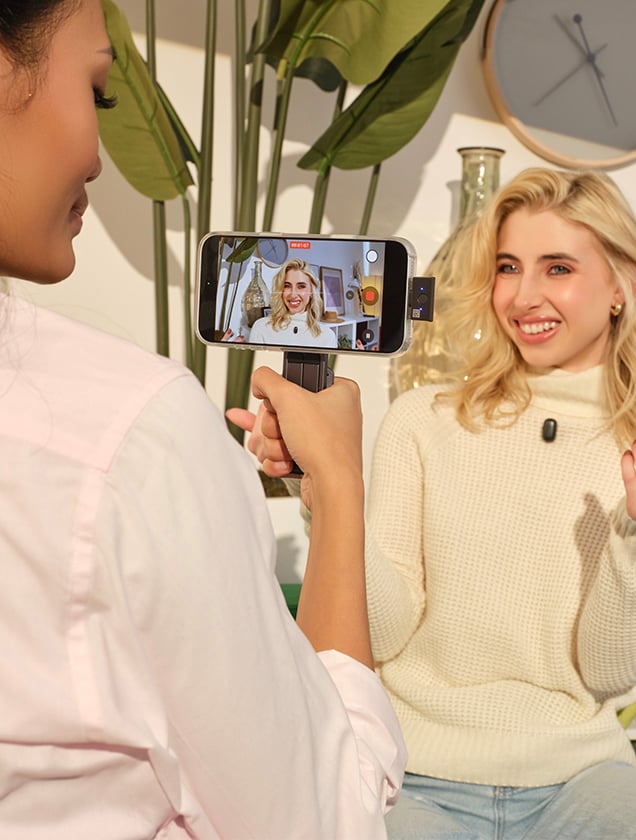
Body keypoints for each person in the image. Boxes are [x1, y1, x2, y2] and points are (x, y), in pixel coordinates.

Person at [0, 1, 404, 836]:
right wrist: (338, 483)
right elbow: (329, 819)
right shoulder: (128, 435)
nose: (100, 157)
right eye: (100, 91)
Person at [363, 168, 636, 838]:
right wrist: (325, 493)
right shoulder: (421, 421)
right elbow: (380, 634)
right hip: (414, 777)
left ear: (623, 286)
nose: (523, 296)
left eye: (558, 268)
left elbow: (608, 675)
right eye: (508, 267)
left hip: (580, 784)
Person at [225, 257, 341, 349]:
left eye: (301, 286)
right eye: (287, 286)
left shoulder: (327, 337)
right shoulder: (261, 328)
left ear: (311, 292)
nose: (293, 294)